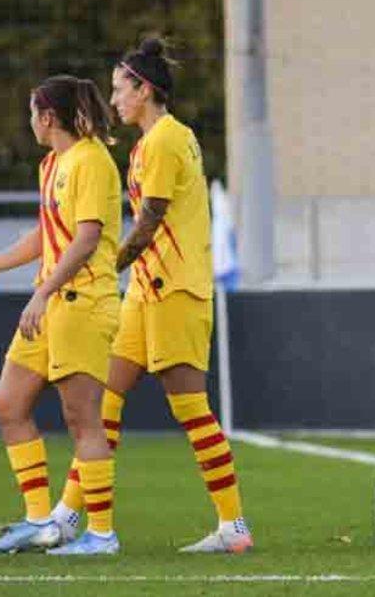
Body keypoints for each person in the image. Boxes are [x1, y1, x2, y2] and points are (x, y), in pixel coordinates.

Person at [50, 37, 252, 554]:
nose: (114, 99)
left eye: (120, 89)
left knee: (191, 409)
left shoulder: (163, 141)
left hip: (175, 290)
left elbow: (150, 221)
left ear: (145, 89)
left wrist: (102, 265)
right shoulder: (151, 142)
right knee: (105, 403)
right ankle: (70, 514)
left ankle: (234, 527)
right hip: (146, 292)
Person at [0, 75, 122, 555]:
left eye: (32, 112)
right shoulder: (52, 164)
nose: (29, 121)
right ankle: (39, 521)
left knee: (82, 420)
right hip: (51, 303)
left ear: (47, 117)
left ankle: (101, 534)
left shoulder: (92, 160)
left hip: (83, 303)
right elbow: (47, 234)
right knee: (8, 406)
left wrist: (42, 292)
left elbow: (87, 238)